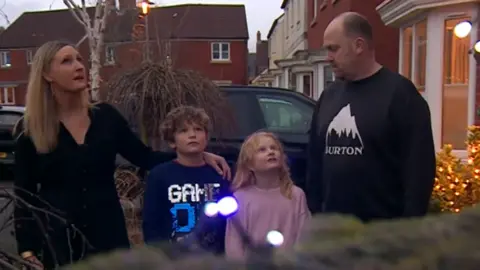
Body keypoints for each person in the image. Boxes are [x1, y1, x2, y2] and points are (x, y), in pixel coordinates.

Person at [13, 40, 231, 269]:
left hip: (108, 236)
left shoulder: (106, 117)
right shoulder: (31, 131)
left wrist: (195, 155)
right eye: (66, 61)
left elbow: (145, 157)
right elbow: (24, 195)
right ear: (47, 74)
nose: (79, 66)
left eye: (79, 59)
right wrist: (26, 248)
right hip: (58, 239)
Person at [305, 12, 436, 222]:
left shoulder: (400, 94)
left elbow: (419, 172)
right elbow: (314, 160)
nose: (328, 57)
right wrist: (318, 212)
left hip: (382, 237)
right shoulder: (329, 96)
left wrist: (406, 232)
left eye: (334, 48)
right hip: (332, 234)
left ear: (359, 45)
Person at [142, 106, 231, 254]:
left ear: (206, 137)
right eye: (183, 131)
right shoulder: (159, 175)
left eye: (198, 129)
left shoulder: (219, 173)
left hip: (214, 257)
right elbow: (151, 224)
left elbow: (230, 221)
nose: (192, 135)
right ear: (172, 142)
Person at [225, 131, 310, 260]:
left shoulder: (296, 195)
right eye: (262, 150)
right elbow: (234, 243)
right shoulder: (240, 198)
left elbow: (304, 235)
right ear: (249, 164)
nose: (270, 152)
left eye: (274, 148)